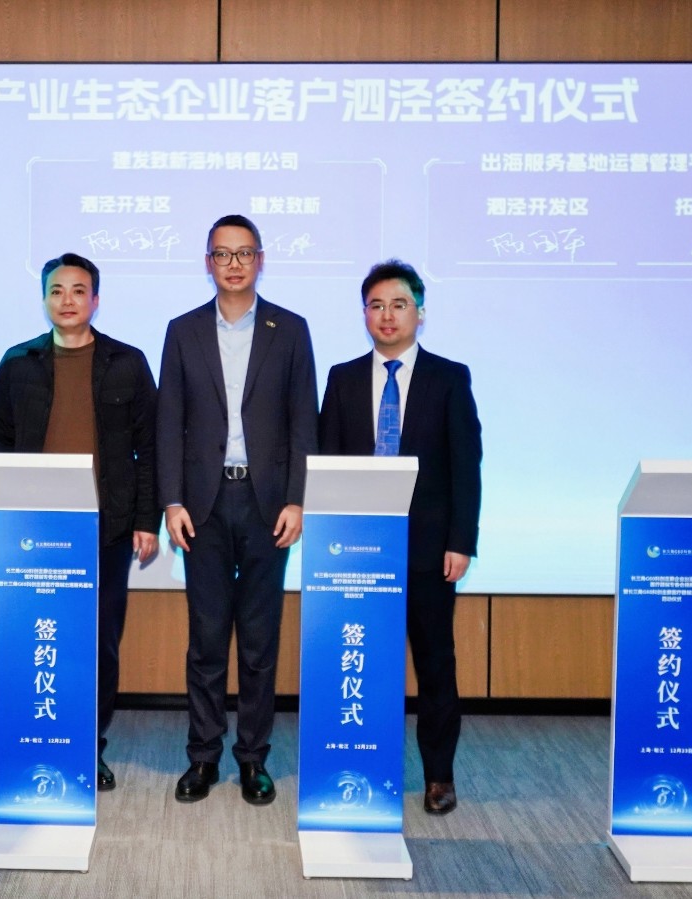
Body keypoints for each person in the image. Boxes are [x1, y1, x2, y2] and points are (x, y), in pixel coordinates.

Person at [157, 214, 318, 805]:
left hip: (265, 503)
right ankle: (203, 756)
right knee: (205, 639)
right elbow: (169, 421)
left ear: (260, 260)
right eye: (222, 254)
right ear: (208, 262)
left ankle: (253, 758)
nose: (233, 263)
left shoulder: (290, 329)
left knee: (257, 640)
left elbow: (304, 420)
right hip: (201, 504)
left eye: (243, 253)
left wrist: (298, 498)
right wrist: (171, 500)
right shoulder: (182, 330)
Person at [0, 252, 160, 792]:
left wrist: (146, 520)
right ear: (44, 299)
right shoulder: (18, 363)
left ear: (96, 299)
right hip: (35, 531)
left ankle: (88, 744)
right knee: (37, 637)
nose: (68, 300)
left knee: (98, 642)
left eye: (79, 291)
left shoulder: (127, 362)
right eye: (57, 291)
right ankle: (37, 737)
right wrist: (2, 513)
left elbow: (149, 449)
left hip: (106, 528)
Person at [317, 259, 482, 814]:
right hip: (356, 551)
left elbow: (466, 466)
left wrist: (461, 540)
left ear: (419, 312)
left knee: (435, 664)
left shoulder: (449, 377)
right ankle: (362, 762)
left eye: (399, 304)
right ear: (364, 313)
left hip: (429, 551)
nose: (387, 315)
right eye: (376, 305)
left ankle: (439, 775)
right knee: (361, 659)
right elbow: (327, 464)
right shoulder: (342, 378)